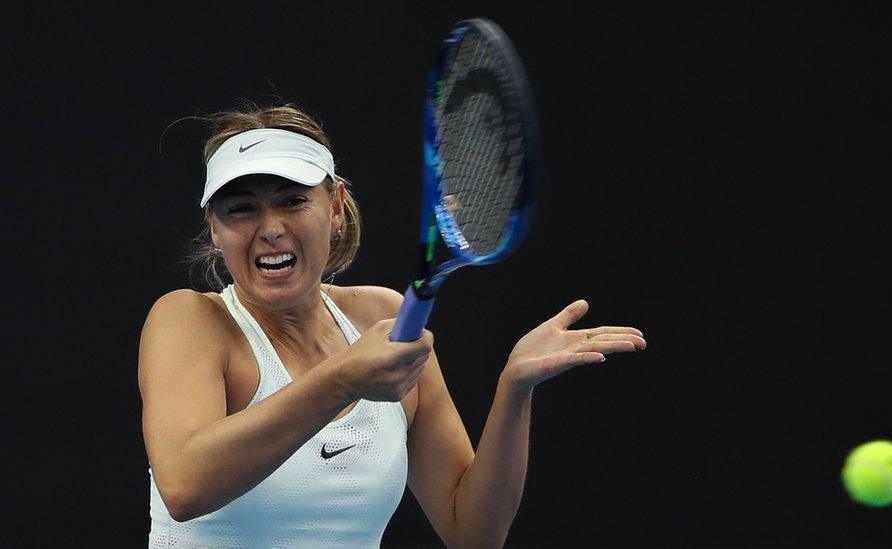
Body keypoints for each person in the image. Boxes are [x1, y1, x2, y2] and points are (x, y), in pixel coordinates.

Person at [139, 103, 646, 547]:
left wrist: (515, 390)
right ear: (214, 227)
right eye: (241, 209)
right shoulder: (189, 320)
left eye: (293, 201)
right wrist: (342, 380)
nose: (270, 229)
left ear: (335, 207)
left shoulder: (383, 317)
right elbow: (184, 486)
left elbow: (472, 531)